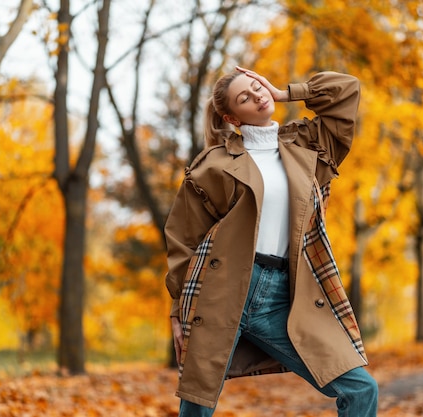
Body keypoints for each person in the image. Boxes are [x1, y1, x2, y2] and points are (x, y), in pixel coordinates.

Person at [164, 65, 378, 417]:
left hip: (285, 296)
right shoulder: (213, 166)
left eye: (257, 85)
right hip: (221, 290)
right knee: (198, 404)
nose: (258, 95)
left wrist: (287, 92)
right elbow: (184, 240)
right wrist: (177, 309)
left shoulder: (309, 147)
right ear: (232, 117)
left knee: (360, 388)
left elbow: (347, 89)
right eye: (245, 97)